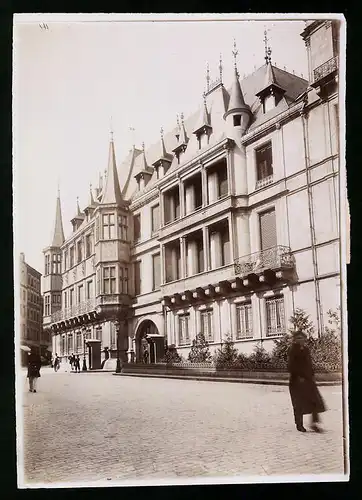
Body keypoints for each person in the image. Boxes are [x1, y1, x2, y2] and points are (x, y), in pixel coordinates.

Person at [288, 331, 326, 433]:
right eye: (299, 338)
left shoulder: (306, 350)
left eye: (303, 338)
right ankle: (299, 424)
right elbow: (291, 366)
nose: (301, 340)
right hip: (296, 382)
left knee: (314, 401)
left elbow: (309, 364)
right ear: (295, 340)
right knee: (298, 404)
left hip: (308, 380)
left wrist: (312, 375)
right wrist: (299, 376)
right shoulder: (292, 350)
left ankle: (314, 424)